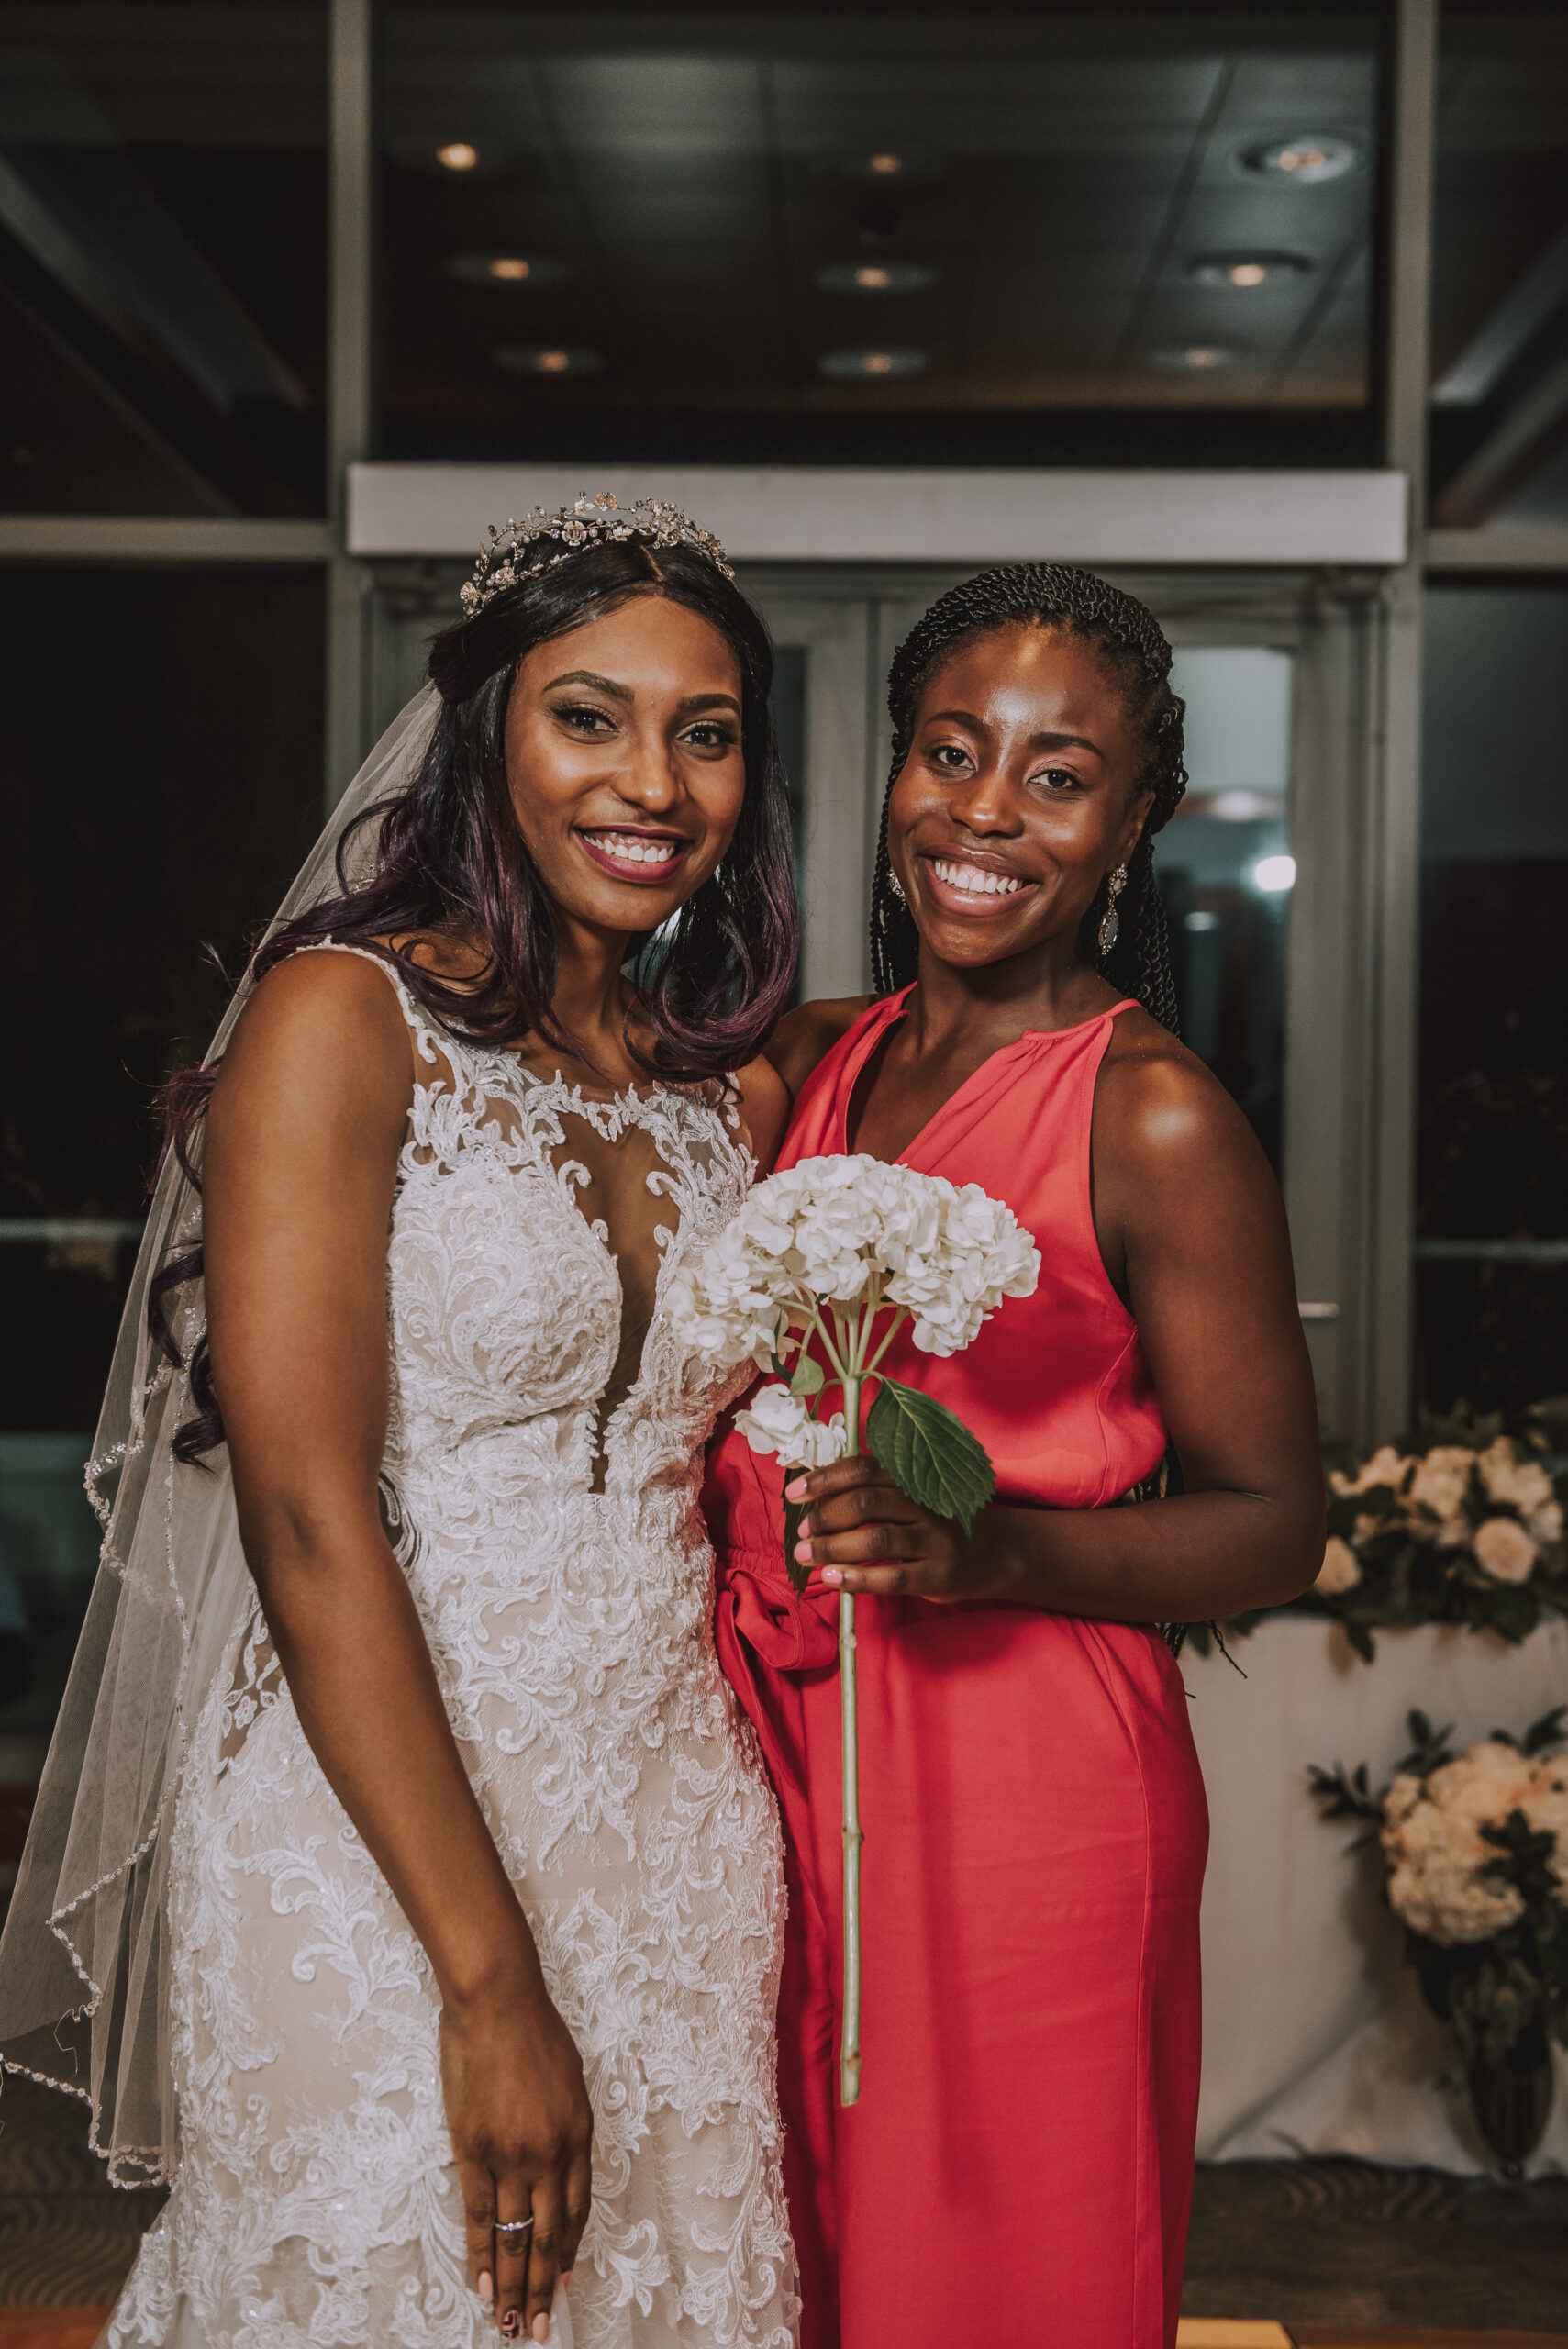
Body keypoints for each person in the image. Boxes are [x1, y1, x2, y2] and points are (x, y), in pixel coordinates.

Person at [0, 497, 803, 2349]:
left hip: (682, 1832)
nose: (654, 779)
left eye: (708, 728)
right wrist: (486, 1973)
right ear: (484, 735)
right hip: (385, 1837)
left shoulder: (734, 1088)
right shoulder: (341, 1023)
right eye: (588, 714)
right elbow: (301, 1512)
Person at [703, 565, 1325, 2349]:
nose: (984, 811)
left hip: (1032, 1779)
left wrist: (997, 1553)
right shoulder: (824, 1055)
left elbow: (1276, 1524)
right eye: (951, 751)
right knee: (804, 2259)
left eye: (1059, 774)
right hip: (796, 1754)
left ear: (1135, 820)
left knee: (1006, 2275)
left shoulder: (1155, 1111)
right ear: (892, 770)